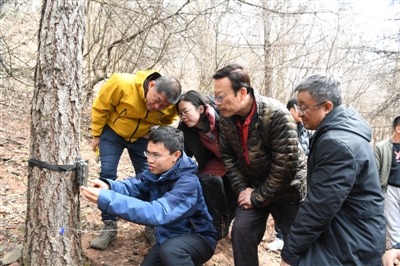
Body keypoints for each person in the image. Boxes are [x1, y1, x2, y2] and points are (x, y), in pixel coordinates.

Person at [280, 73, 386, 265]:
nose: (299, 112)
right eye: (298, 106)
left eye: (304, 107)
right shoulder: (340, 132)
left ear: (327, 107)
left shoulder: (337, 144)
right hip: (353, 230)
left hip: (351, 241)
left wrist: (289, 254)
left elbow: (318, 209)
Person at [212, 63, 307, 266]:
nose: (217, 102)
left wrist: (257, 196)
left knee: (296, 244)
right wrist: (242, 191)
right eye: (215, 96)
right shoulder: (226, 119)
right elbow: (228, 157)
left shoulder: (277, 116)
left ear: (242, 92)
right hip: (252, 185)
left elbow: (285, 168)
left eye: (221, 96)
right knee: (241, 233)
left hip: (288, 191)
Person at [80, 126, 217, 265]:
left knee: (171, 251)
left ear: (176, 155)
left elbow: (157, 212)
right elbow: (133, 186)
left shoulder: (188, 183)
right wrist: (109, 186)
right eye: (148, 153)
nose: (150, 160)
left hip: (198, 238)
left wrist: (108, 199)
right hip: (167, 238)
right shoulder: (156, 172)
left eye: (156, 155)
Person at [91, 70, 182, 249]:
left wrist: (154, 134)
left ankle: (151, 224)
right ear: (152, 85)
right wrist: (96, 135)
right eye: (156, 100)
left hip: (142, 137)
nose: (157, 107)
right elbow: (101, 107)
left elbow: (169, 119)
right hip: (113, 132)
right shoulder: (122, 83)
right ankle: (109, 225)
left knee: (151, 177)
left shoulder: (170, 105)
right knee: (108, 174)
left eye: (163, 106)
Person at [176, 90, 237, 223]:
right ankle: (209, 221)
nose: (183, 116)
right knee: (203, 183)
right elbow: (182, 155)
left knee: (234, 193)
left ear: (201, 108)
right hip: (216, 161)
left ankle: (226, 222)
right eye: (180, 113)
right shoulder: (187, 130)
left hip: (238, 160)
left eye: (186, 111)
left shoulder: (224, 115)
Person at [267, 97, 313, 251]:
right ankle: (280, 238)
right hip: (283, 178)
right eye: (298, 109)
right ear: (291, 110)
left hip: (302, 179)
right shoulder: (283, 127)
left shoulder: (305, 129)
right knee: (281, 211)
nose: (301, 113)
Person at [375, 116, 400, 248]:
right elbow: (375, 172)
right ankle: (396, 253)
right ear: (398, 129)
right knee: (393, 225)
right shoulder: (381, 147)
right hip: (389, 189)